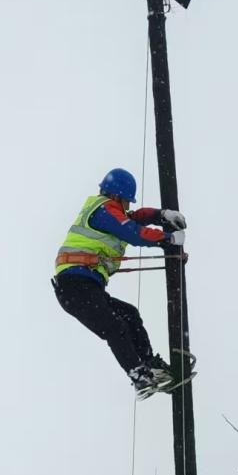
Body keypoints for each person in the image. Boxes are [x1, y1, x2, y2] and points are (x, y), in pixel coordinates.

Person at [53, 168, 188, 398]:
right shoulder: (103, 210)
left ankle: (150, 366)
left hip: (84, 285)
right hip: (74, 284)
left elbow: (136, 218)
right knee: (115, 326)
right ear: (118, 195)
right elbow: (132, 231)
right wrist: (167, 239)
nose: (127, 207)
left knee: (129, 315)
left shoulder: (109, 211)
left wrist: (161, 215)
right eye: (126, 202)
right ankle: (139, 376)